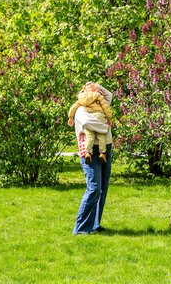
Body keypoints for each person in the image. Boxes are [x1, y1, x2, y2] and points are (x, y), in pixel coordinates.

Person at [70, 81, 113, 235]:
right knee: (94, 188)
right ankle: (81, 228)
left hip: (105, 149)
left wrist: (96, 86)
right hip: (90, 152)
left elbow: (109, 95)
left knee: (102, 189)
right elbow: (89, 122)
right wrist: (105, 126)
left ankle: (94, 225)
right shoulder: (81, 109)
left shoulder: (101, 104)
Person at [67, 86, 112, 164]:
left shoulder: (81, 99)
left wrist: (70, 117)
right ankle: (102, 153)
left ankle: (88, 153)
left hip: (90, 115)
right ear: (96, 90)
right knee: (101, 136)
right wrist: (109, 118)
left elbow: (73, 108)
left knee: (89, 136)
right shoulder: (98, 96)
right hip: (99, 116)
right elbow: (106, 107)